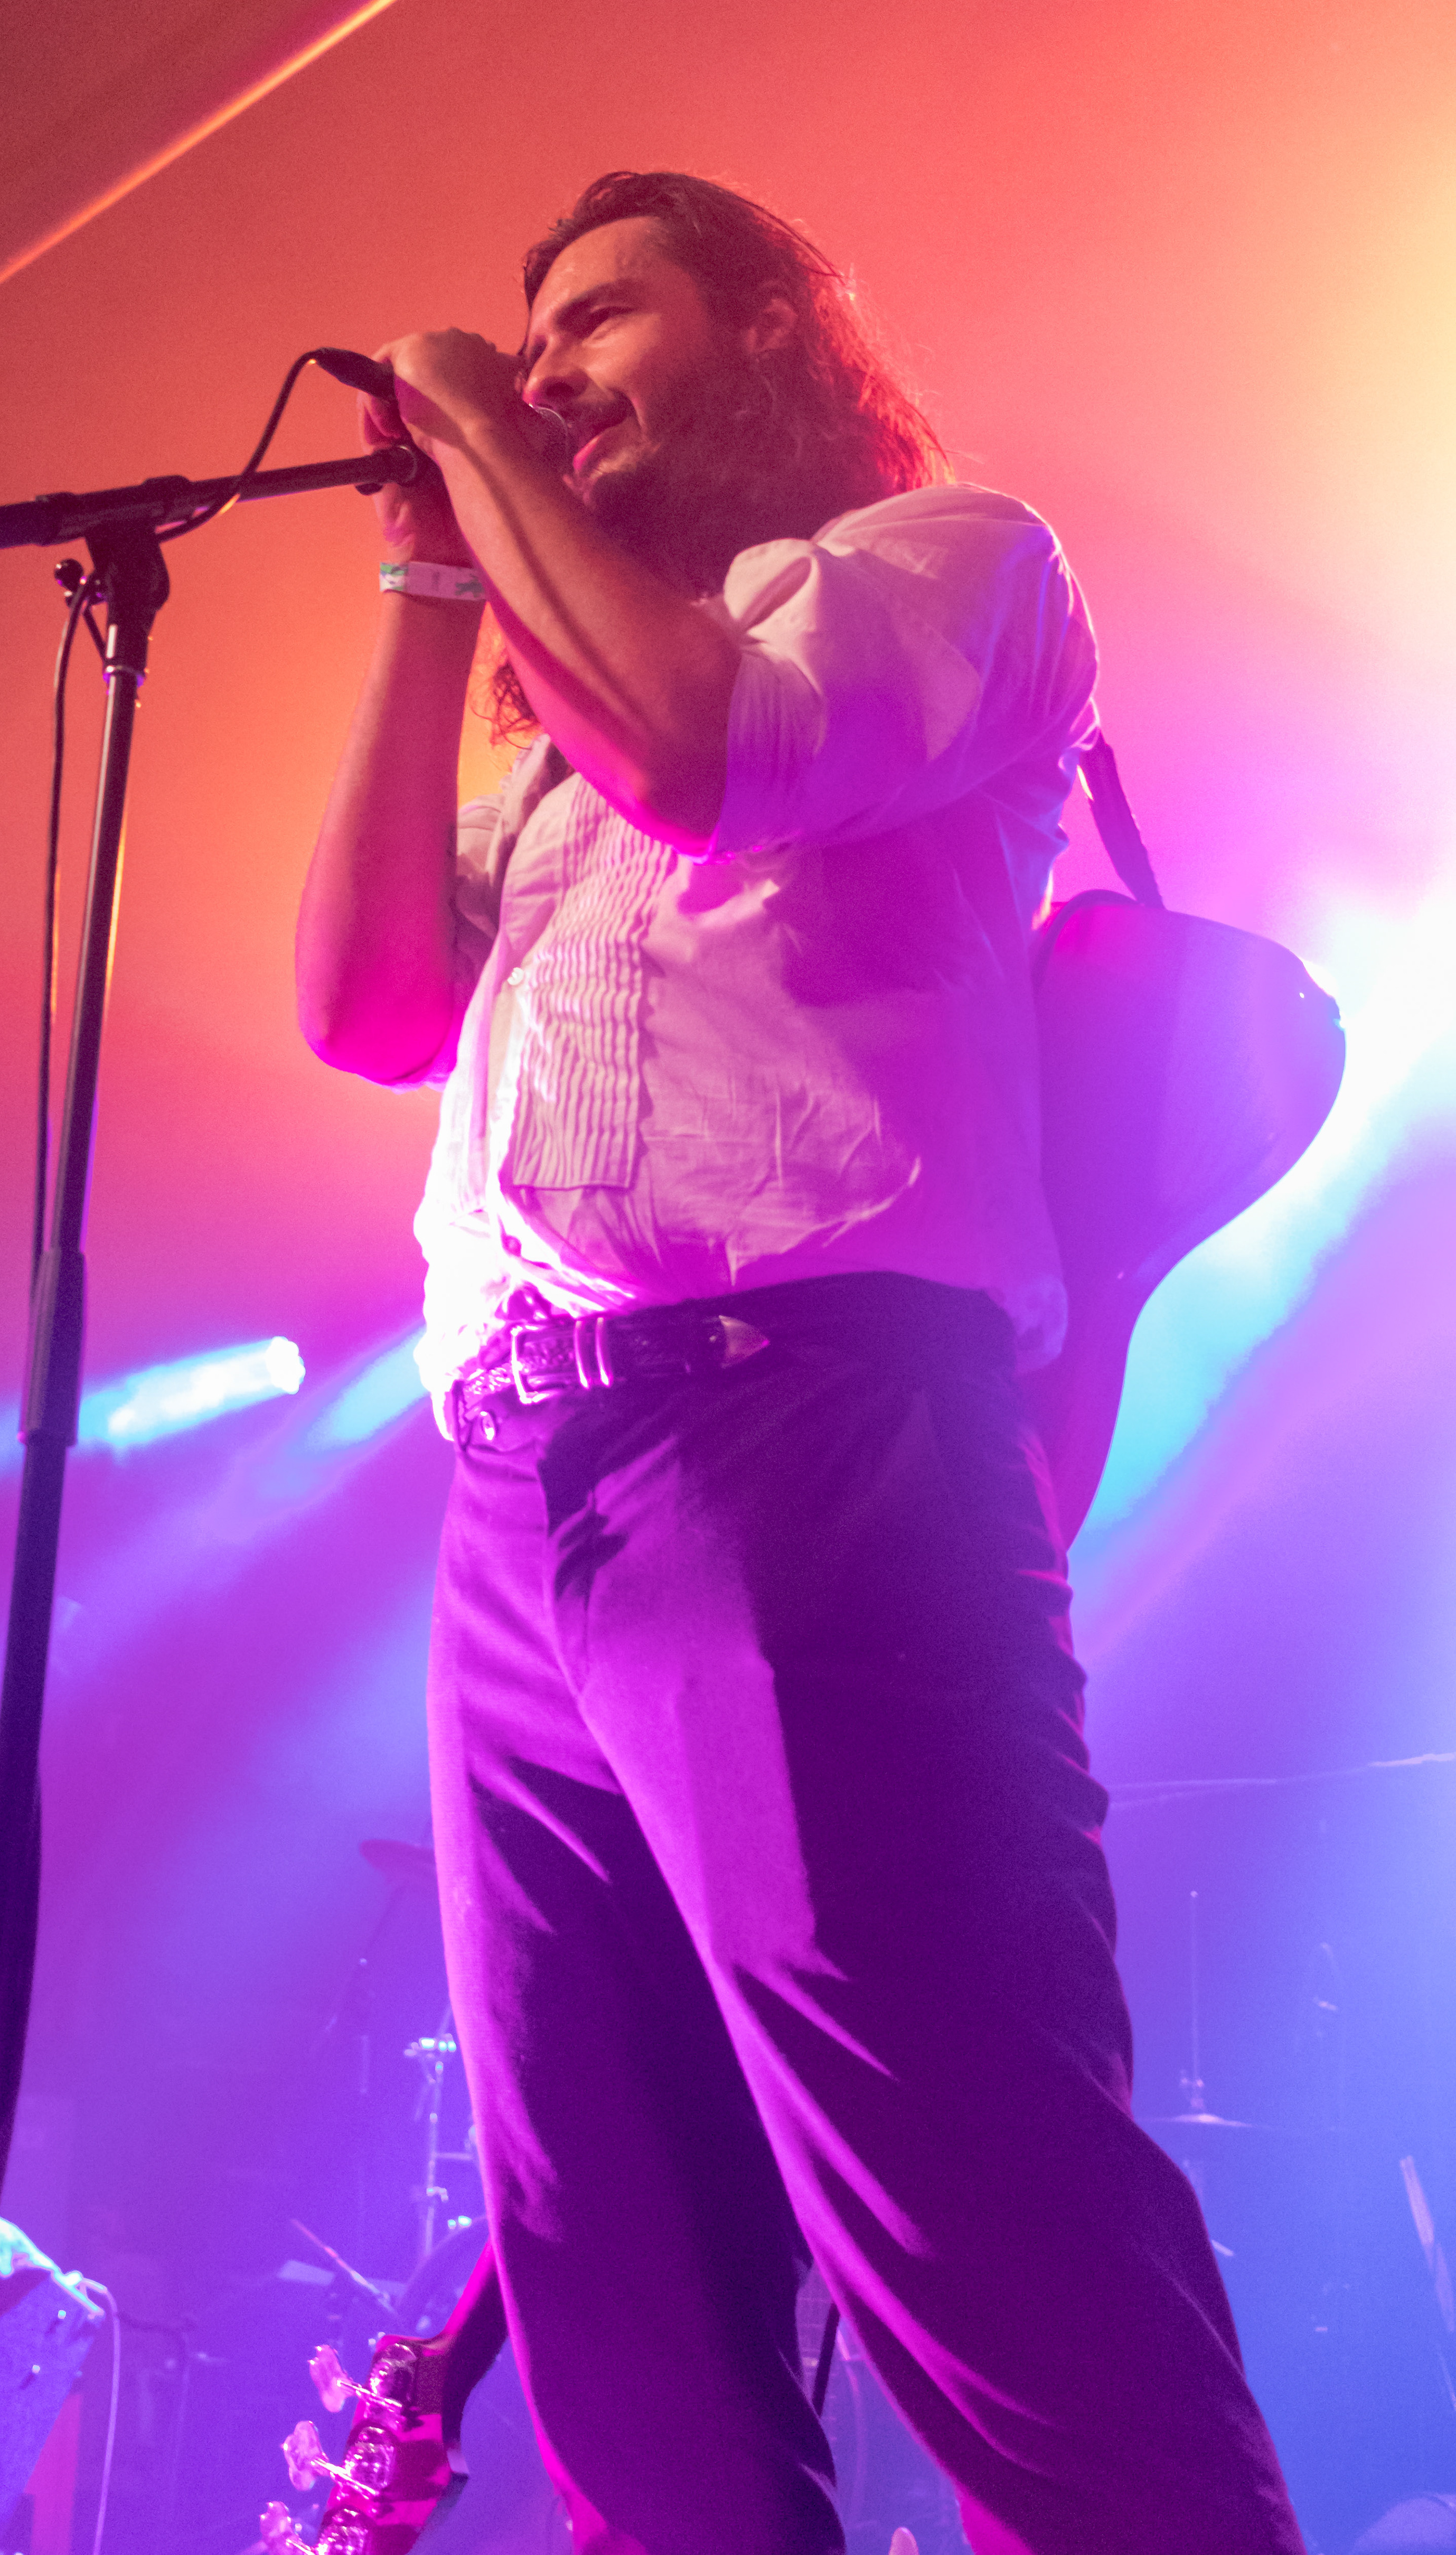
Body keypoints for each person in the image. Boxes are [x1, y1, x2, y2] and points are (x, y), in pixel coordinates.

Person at [295, 174, 1305, 2555]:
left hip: (805, 1427)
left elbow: (702, 745)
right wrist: (434, 583)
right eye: (519, 333)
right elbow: (356, 1006)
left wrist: (455, 406)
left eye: (595, 320)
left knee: (964, 2196)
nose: (540, 367)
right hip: (518, 1496)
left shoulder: (944, 561)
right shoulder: (537, 753)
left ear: (759, 335)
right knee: (607, 2260)